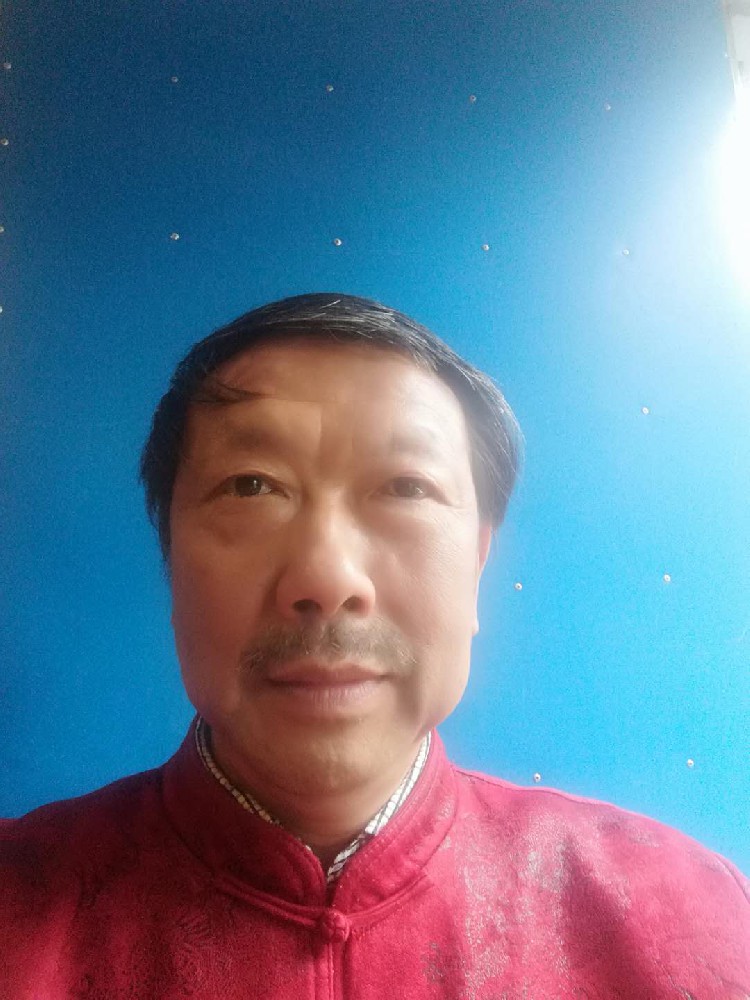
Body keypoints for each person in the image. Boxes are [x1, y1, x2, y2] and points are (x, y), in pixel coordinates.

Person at [1, 293, 748, 999]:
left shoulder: (691, 919)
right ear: (171, 559)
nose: (327, 578)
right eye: (252, 485)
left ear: (478, 561)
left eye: (406, 488)